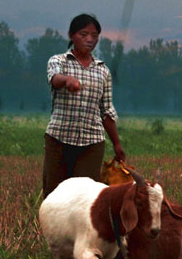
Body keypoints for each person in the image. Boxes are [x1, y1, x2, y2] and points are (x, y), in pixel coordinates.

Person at [42, 13, 126, 197]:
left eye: (94, 36)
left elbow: (106, 111)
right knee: (54, 196)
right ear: (72, 36)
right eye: (84, 34)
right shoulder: (58, 61)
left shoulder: (102, 70)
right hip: (59, 138)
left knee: (85, 197)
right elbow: (54, 79)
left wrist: (117, 144)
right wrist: (67, 80)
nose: (90, 40)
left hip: (92, 142)